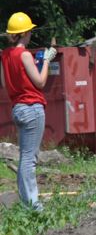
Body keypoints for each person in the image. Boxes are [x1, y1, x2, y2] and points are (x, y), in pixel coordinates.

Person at [0, 12, 56, 211]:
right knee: (29, 159)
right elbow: (40, 82)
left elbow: (4, 84)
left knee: (25, 157)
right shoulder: (24, 54)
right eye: (30, 31)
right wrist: (47, 60)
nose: (31, 33)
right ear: (24, 33)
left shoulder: (5, 55)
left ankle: (28, 202)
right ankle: (32, 205)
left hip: (18, 108)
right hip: (32, 108)